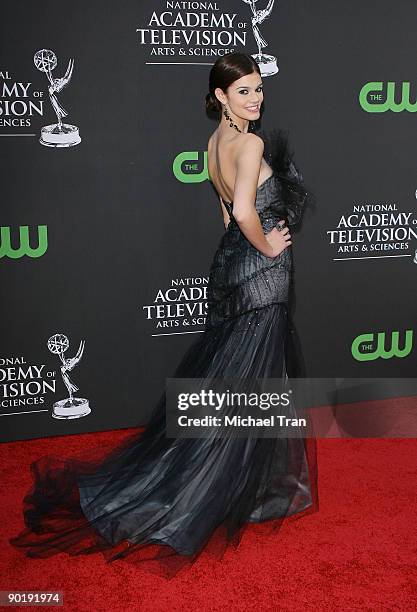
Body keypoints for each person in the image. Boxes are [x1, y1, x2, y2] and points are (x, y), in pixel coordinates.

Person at [9, 52, 318, 575]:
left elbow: (223, 211)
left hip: (228, 267)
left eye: (259, 88)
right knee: (252, 382)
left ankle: (249, 480)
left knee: (235, 379)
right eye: (244, 91)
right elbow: (243, 211)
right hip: (259, 275)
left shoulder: (214, 142)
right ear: (221, 97)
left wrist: (247, 243)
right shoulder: (251, 142)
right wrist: (269, 247)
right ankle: (219, 488)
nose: (256, 98)